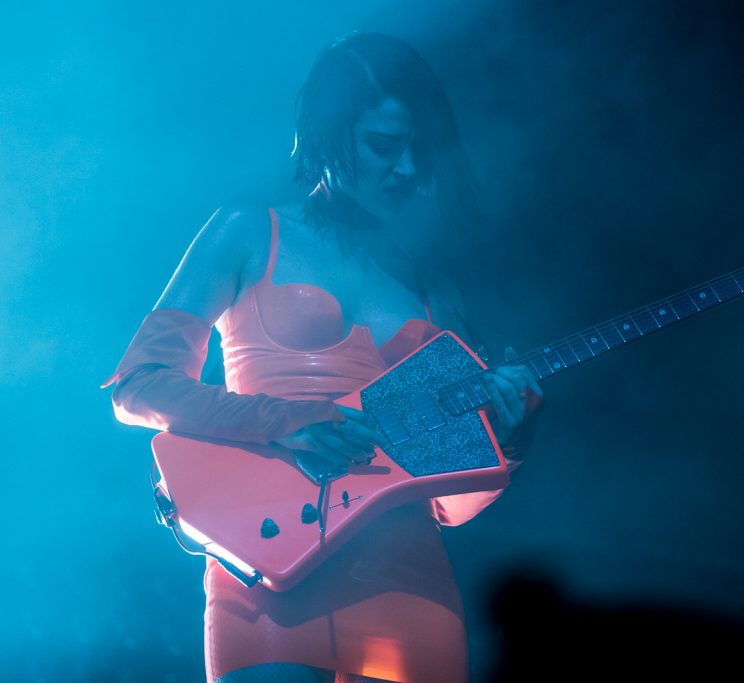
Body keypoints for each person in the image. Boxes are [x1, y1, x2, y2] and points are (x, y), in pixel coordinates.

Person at [103, 32, 543, 683]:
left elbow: (449, 502)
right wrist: (281, 417)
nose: (408, 169)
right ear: (327, 137)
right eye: (385, 145)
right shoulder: (248, 231)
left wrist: (511, 438)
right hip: (263, 575)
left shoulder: (432, 288)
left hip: (411, 583)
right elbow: (137, 384)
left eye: (420, 150)